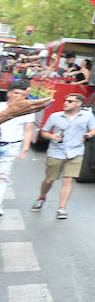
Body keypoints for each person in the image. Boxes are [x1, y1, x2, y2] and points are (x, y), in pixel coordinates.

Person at [32, 93, 95, 219]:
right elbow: (44, 132)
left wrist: (89, 134)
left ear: (79, 104)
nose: (66, 103)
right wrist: (51, 136)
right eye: (65, 100)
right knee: (49, 180)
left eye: (70, 101)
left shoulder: (87, 116)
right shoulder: (55, 116)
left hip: (76, 152)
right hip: (56, 151)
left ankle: (61, 208)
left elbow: (93, 130)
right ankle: (42, 197)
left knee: (68, 180)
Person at [0, 86, 36, 217]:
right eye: (16, 93)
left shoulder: (27, 111)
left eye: (22, 94)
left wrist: (25, 147)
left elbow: (28, 129)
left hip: (12, 146)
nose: (18, 96)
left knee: (3, 176)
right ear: (9, 93)